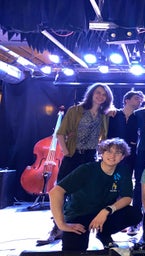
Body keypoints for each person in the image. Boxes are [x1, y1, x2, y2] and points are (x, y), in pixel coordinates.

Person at [37, 82, 114, 246]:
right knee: (63, 192)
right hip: (73, 155)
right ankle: (57, 227)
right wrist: (66, 153)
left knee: (83, 193)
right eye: (98, 93)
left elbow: (104, 137)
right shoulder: (75, 110)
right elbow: (61, 133)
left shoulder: (104, 115)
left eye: (104, 94)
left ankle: (80, 224)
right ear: (91, 94)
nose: (100, 96)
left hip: (90, 156)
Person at [49, 138, 143, 251]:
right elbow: (55, 192)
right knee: (73, 251)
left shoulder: (122, 171)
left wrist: (107, 210)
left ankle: (103, 233)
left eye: (117, 152)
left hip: (103, 214)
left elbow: (127, 197)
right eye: (109, 151)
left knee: (134, 214)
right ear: (101, 153)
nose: (112, 155)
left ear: (123, 156)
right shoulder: (86, 170)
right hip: (79, 215)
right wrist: (61, 224)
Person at [108, 89, 145, 236]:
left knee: (131, 185)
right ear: (127, 100)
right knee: (113, 185)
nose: (139, 102)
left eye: (140, 100)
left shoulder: (138, 116)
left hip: (132, 156)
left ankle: (130, 220)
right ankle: (112, 218)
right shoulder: (113, 114)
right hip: (113, 156)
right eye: (136, 99)